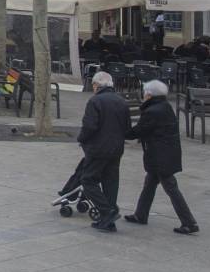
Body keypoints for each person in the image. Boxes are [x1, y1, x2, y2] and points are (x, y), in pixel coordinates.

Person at [124, 80, 199, 234]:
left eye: (145, 93)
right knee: (149, 184)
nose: (143, 95)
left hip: (160, 155)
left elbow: (140, 130)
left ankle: (189, 222)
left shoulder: (153, 111)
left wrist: (120, 133)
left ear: (149, 95)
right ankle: (141, 214)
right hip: (165, 152)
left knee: (171, 188)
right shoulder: (164, 106)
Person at [77, 70, 132, 231]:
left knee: (88, 180)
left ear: (96, 85)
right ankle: (109, 218)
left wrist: (82, 139)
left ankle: (107, 212)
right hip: (116, 148)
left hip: (98, 148)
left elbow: (89, 126)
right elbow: (127, 128)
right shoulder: (121, 101)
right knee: (111, 181)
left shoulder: (95, 101)